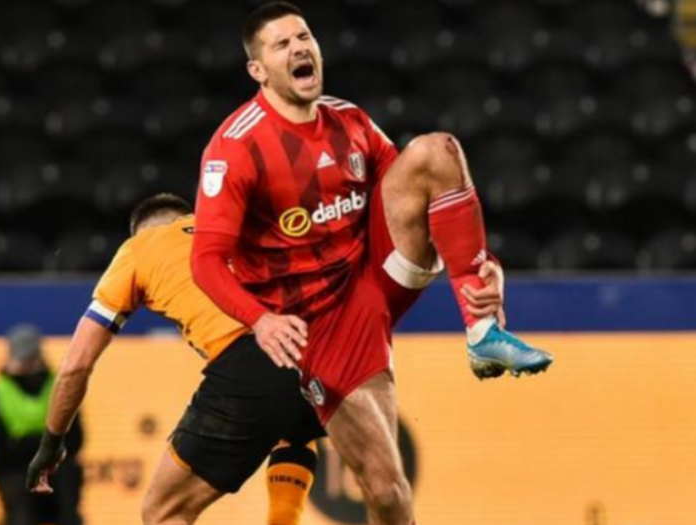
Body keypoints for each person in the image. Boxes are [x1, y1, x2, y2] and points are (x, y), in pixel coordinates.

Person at [189, 3, 553, 525]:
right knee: (387, 491)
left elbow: (415, 194)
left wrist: (483, 265)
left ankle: (482, 329)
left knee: (435, 152)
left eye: (304, 36)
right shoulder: (236, 146)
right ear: (258, 70)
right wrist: (261, 320)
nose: (299, 48)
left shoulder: (349, 120)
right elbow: (205, 261)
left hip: (371, 280)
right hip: (312, 329)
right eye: (282, 44)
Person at [25, 194, 505, 525]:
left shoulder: (138, 249)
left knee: (163, 511)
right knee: (302, 422)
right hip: (322, 342)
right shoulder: (232, 229)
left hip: (253, 355)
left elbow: (76, 365)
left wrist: (52, 442)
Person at [0, 324, 84, 525]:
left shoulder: (61, 388)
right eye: (23, 359)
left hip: (56, 469)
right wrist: (44, 446)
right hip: (17, 472)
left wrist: (32, 448)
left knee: (68, 487)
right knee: (20, 506)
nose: (28, 365)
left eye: (32, 358)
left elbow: (76, 439)